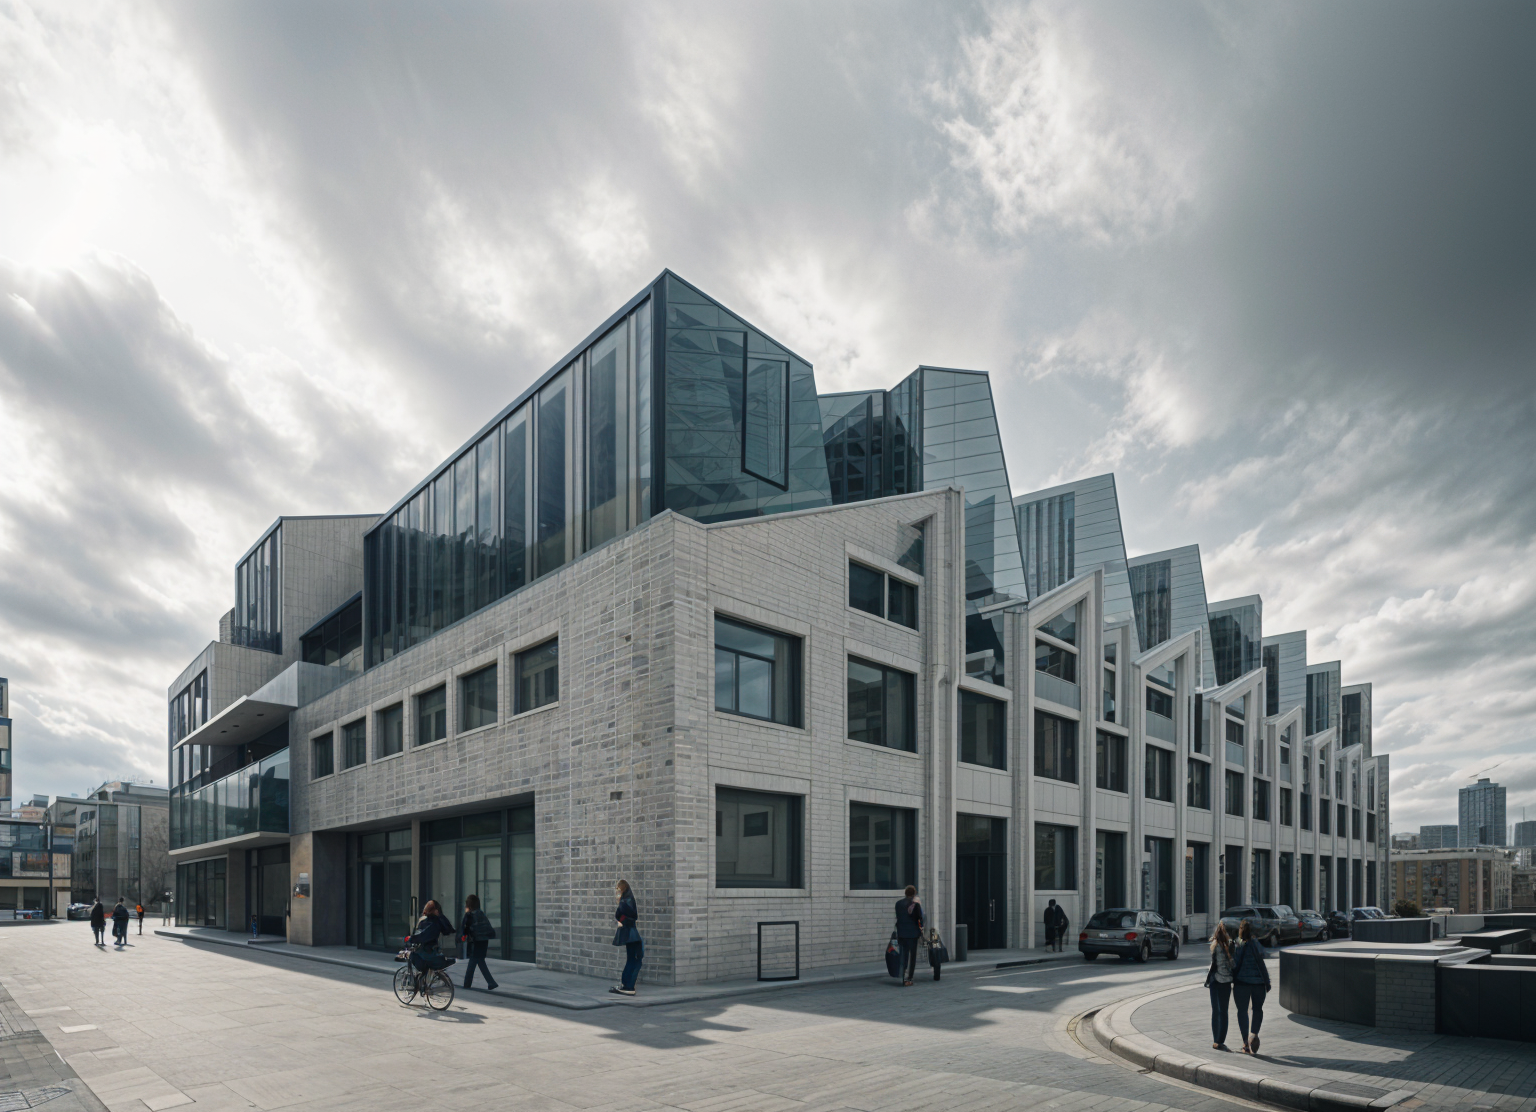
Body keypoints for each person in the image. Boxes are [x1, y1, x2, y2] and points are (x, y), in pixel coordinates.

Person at [1232, 919, 1272, 1054]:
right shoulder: (1256, 944)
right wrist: (1267, 981)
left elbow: (1234, 963)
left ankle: (1245, 1043)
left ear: (1240, 930)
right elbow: (1263, 959)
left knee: (1242, 1011)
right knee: (1257, 1009)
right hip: (1259, 984)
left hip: (1241, 983)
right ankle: (1254, 1035)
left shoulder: (1238, 944)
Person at [1205, 921, 1236, 1050]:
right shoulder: (1231, 945)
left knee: (1215, 1011)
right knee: (1224, 1012)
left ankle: (1216, 1040)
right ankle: (1220, 1040)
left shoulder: (1215, 944)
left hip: (1215, 982)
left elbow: (1214, 964)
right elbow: (1233, 965)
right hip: (1226, 983)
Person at [459, 894, 499, 991]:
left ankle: (467, 984)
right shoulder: (481, 913)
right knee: (480, 961)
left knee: (473, 961)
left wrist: (462, 938)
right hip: (484, 940)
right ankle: (491, 983)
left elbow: (465, 929)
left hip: (475, 941)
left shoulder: (469, 915)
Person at [610, 880, 642, 996]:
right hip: (632, 933)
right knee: (635, 959)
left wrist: (621, 921)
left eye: (618, 890)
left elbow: (622, 914)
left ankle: (628, 986)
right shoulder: (628, 899)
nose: (617, 893)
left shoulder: (625, 901)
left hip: (630, 933)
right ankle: (628, 986)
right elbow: (630, 915)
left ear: (622, 889)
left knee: (634, 959)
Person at [408, 900, 455, 972]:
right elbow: (448, 930)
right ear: (436, 911)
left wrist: (410, 939)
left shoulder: (427, 921)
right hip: (431, 952)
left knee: (415, 957)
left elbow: (420, 935)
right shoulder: (436, 921)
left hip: (426, 953)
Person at [894, 885, 924, 986]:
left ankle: (902, 975)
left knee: (903, 955)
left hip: (902, 933)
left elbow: (898, 917)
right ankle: (909, 978)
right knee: (912, 957)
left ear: (905, 893)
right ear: (914, 893)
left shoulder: (898, 904)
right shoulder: (915, 905)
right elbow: (919, 919)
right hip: (913, 934)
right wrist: (921, 930)